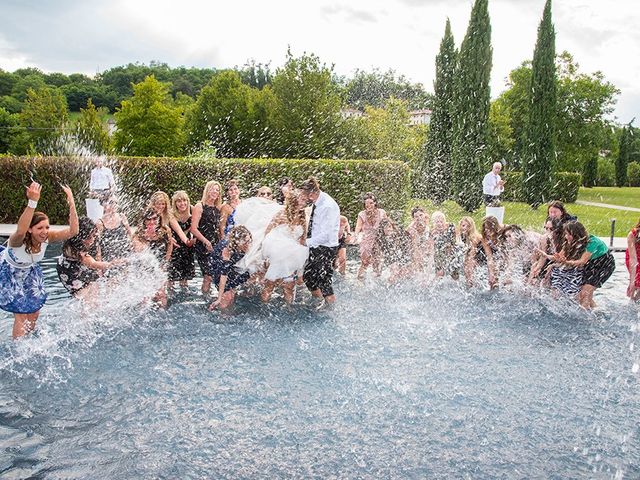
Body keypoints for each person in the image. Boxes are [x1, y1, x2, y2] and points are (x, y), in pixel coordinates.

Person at [0, 182, 79, 339]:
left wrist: (71, 202)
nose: (45, 232)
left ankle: (27, 340)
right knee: (21, 314)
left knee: (34, 312)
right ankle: (18, 349)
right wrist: (32, 202)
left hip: (29, 271)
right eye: (40, 228)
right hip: (9, 272)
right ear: (31, 229)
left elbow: (73, 231)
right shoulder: (18, 240)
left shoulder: (48, 238)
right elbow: (21, 229)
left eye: (47, 227)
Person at [548, 222, 614, 309]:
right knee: (583, 293)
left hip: (604, 264)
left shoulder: (592, 242)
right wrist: (552, 261)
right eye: (566, 234)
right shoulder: (571, 241)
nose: (566, 237)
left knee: (585, 292)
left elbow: (582, 262)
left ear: (576, 234)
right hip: (590, 264)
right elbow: (560, 257)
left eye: (568, 234)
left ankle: (585, 318)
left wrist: (566, 262)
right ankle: (595, 311)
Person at [260, 189, 309, 304]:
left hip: (292, 259)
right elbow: (267, 232)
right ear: (294, 200)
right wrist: (267, 256)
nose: (305, 202)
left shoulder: (302, 217)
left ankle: (289, 311)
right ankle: (263, 311)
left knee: (289, 288)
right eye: (302, 199)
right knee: (270, 286)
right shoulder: (282, 214)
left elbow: (303, 238)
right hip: (277, 257)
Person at [299, 177, 341, 307]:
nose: (304, 197)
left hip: (326, 248)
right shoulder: (319, 201)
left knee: (324, 281)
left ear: (311, 194)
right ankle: (319, 300)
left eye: (304, 195)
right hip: (317, 246)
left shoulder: (327, 206)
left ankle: (331, 309)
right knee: (308, 277)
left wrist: (307, 242)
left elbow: (327, 235)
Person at [57, 217, 121, 300]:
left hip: (80, 265)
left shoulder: (93, 238)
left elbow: (97, 254)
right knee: (84, 295)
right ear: (80, 237)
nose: (92, 240)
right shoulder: (74, 249)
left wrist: (99, 272)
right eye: (89, 237)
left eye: (93, 236)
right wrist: (111, 264)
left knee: (96, 285)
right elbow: (93, 264)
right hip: (68, 270)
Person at [132, 209, 174, 308]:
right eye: (148, 219)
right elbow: (138, 251)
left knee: (162, 294)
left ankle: (163, 314)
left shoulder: (165, 230)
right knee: (145, 298)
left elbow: (170, 245)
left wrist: (166, 262)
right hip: (144, 268)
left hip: (160, 266)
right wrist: (147, 237)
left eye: (154, 219)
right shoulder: (139, 234)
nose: (152, 222)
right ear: (144, 221)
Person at [208, 226, 253, 311]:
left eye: (249, 241)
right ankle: (222, 314)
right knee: (227, 295)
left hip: (231, 266)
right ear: (237, 241)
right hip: (218, 267)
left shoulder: (244, 245)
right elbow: (223, 274)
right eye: (245, 242)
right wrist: (219, 297)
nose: (248, 244)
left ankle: (228, 310)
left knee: (232, 293)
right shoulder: (227, 249)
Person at [191, 181, 223, 294]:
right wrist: (206, 242)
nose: (215, 192)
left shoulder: (218, 208)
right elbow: (193, 229)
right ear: (207, 190)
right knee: (207, 277)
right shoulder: (200, 206)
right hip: (202, 246)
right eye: (212, 189)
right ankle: (205, 301)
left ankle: (211, 298)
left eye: (217, 190)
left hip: (215, 245)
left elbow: (218, 229)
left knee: (216, 276)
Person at [354, 193, 386, 280]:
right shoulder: (362, 214)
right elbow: (358, 226)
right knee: (365, 262)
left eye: (371, 203)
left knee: (377, 261)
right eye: (366, 203)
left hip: (378, 239)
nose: (369, 205)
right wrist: (356, 235)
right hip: (366, 240)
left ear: (375, 203)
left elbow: (387, 224)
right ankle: (359, 281)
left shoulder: (382, 212)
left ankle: (377, 283)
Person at [168, 191, 195, 290]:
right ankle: (170, 298)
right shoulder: (171, 213)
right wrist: (188, 241)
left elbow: (197, 227)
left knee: (184, 278)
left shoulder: (192, 210)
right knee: (171, 278)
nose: (182, 203)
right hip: (174, 246)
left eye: (184, 200)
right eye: (178, 201)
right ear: (174, 203)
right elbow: (179, 231)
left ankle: (184, 297)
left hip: (187, 247)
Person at [96, 196, 132, 262]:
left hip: (125, 257)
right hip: (109, 260)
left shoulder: (122, 217)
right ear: (103, 205)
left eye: (116, 202)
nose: (114, 205)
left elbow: (130, 236)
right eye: (111, 202)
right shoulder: (100, 223)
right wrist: (99, 266)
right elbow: (97, 246)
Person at [429, 211, 458, 279]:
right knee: (439, 273)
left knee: (454, 273)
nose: (439, 224)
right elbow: (431, 248)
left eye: (441, 221)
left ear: (444, 221)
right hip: (439, 252)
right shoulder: (432, 232)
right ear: (433, 223)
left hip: (451, 251)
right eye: (437, 222)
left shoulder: (451, 227)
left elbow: (456, 241)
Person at [458, 216, 483, 286]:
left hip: (481, 254)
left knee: (469, 267)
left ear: (471, 227)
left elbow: (473, 252)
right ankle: (469, 283)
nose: (465, 228)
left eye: (468, 226)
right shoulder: (464, 235)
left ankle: (472, 284)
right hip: (475, 252)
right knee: (466, 266)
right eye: (463, 225)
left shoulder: (474, 237)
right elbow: (467, 251)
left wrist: (468, 263)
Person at [406, 206, 430, 273]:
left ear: (424, 215)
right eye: (416, 216)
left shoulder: (426, 220)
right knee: (417, 257)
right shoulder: (412, 229)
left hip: (422, 242)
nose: (419, 218)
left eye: (421, 215)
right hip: (411, 245)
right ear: (413, 219)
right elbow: (415, 247)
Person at [626, 219, 640, 301]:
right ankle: (632, 304)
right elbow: (633, 260)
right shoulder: (633, 234)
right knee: (634, 285)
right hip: (633, 258)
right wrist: (632, 281)